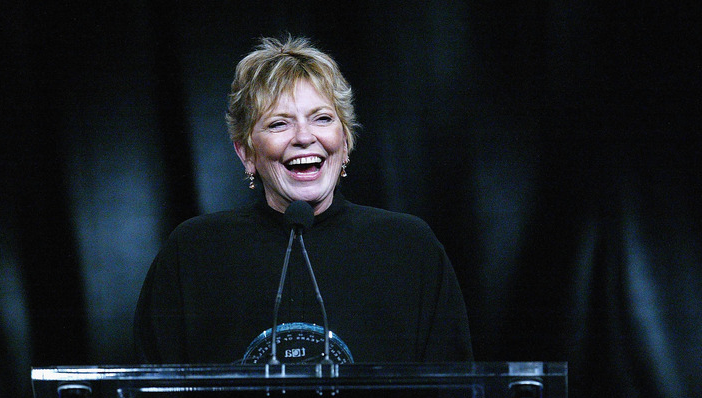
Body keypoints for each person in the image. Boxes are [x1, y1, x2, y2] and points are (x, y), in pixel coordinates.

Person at [134, 35, 472, 364]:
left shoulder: (409, 247)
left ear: (346, 140)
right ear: (246, 153)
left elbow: (454, 397)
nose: (305, 137)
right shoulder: (194, 252)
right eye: (279, 124)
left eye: (322, 118)